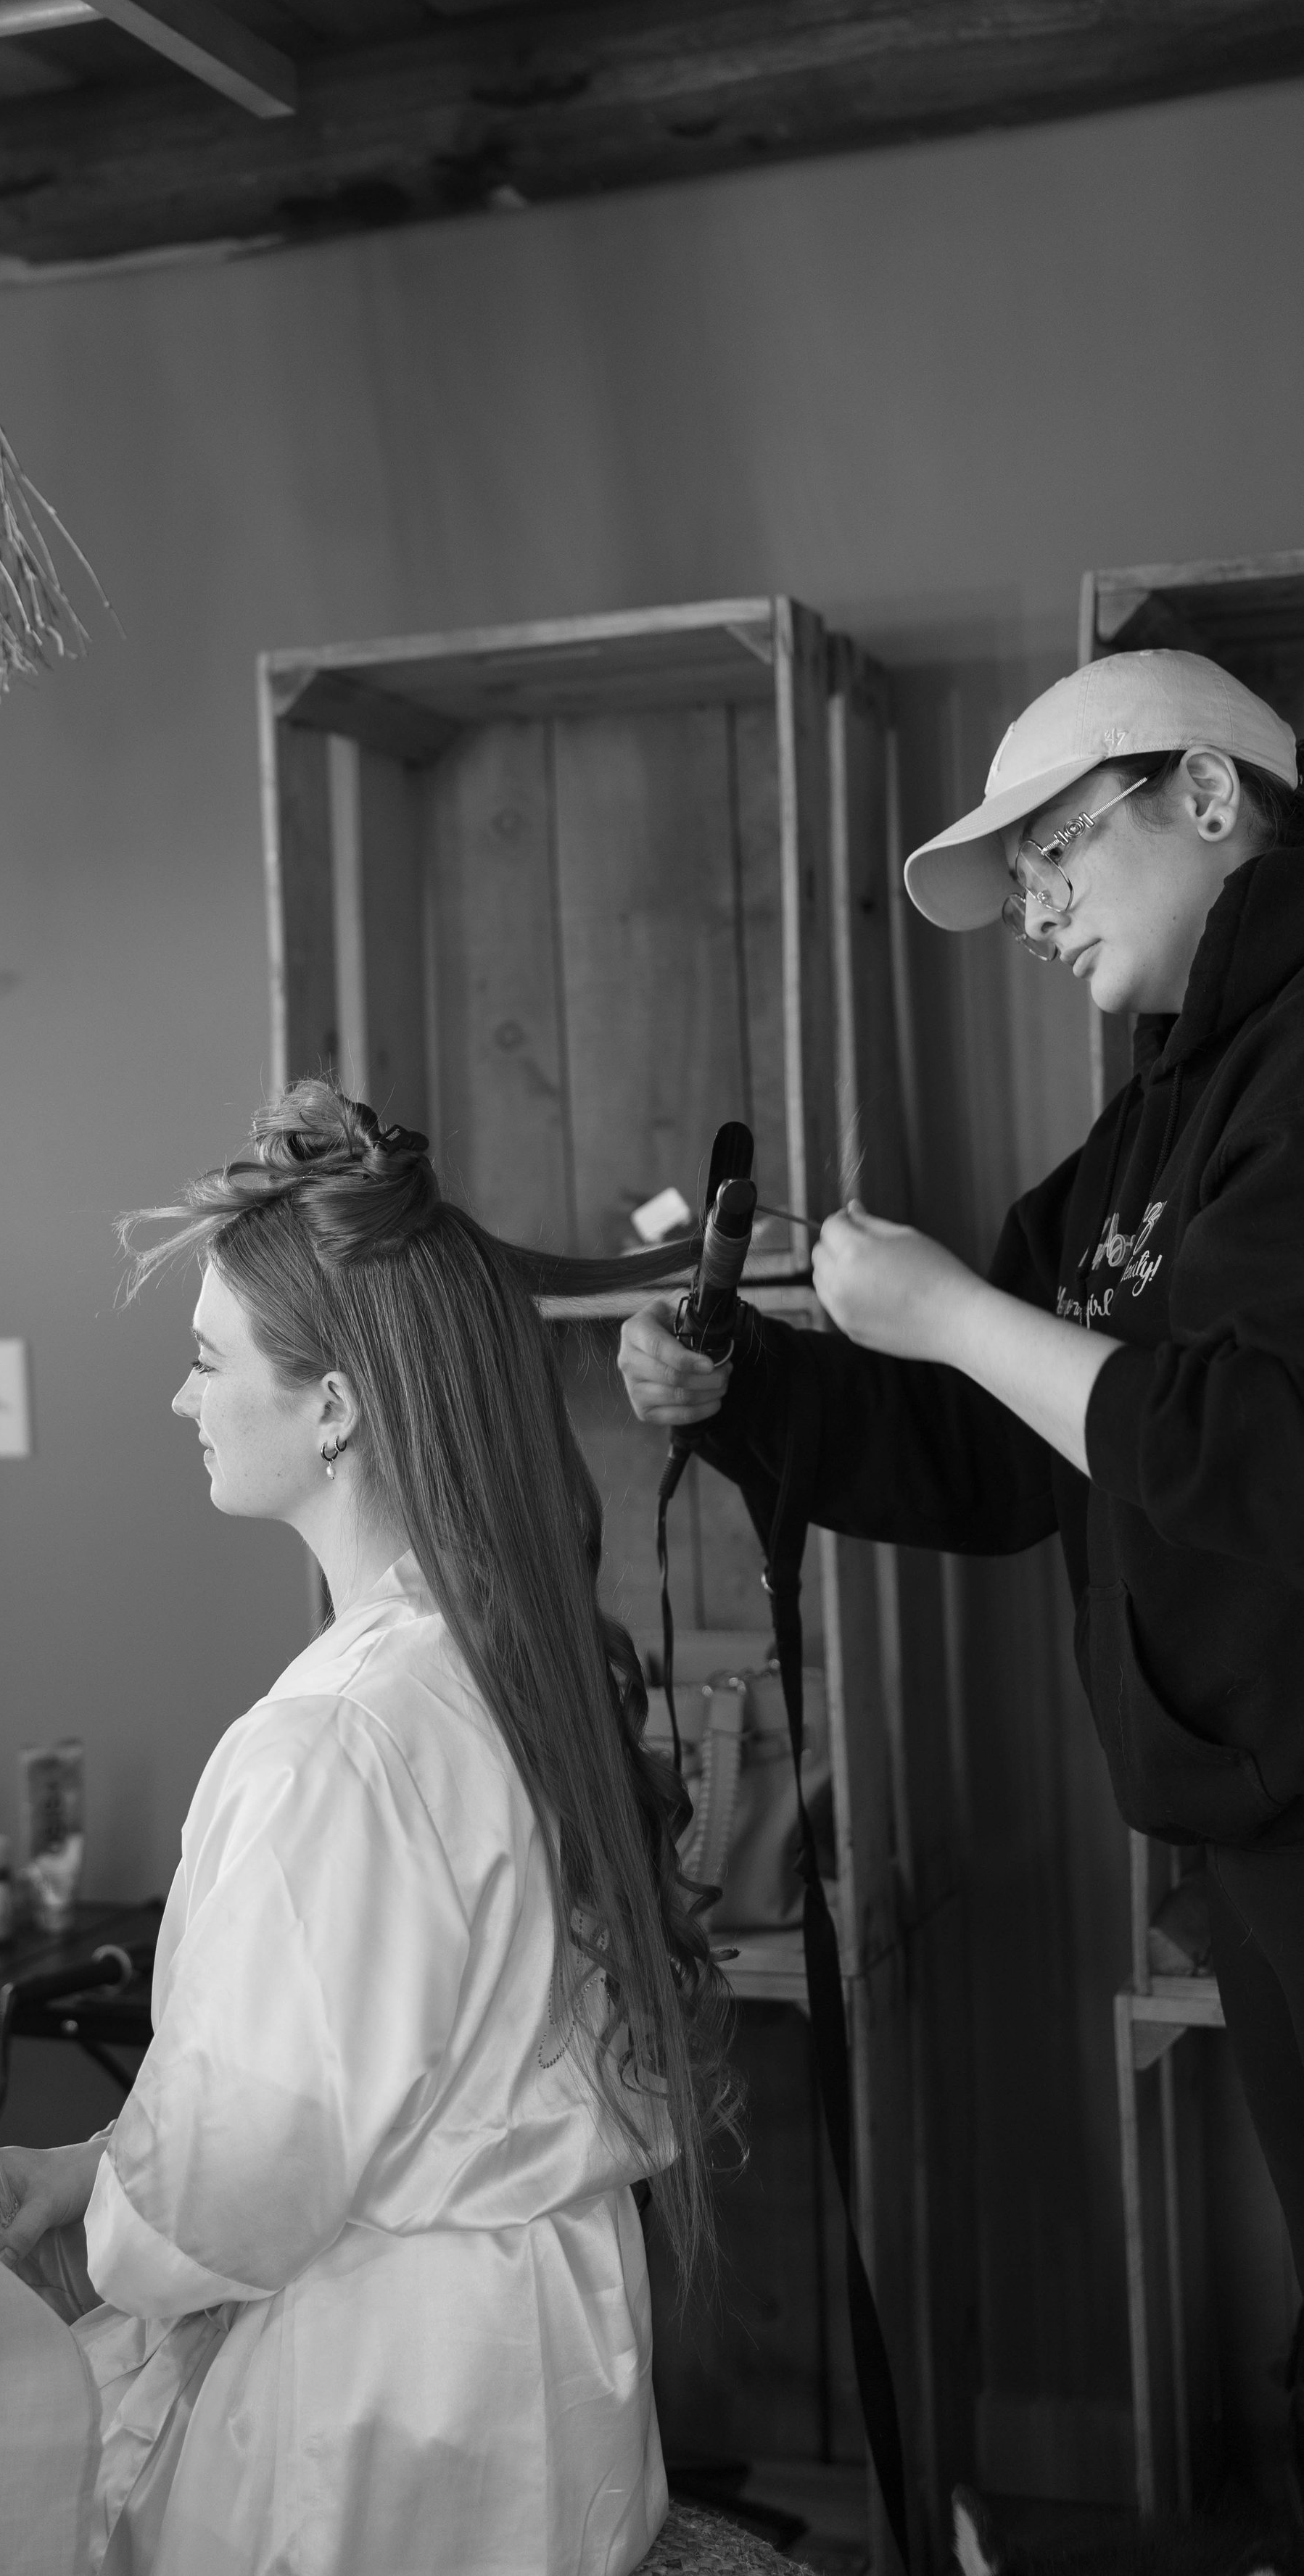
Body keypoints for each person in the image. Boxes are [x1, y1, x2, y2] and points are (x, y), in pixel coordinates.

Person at [0, 1082, 737, 2576]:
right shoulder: (496, 1655)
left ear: (333, 1405)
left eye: (204, 1362)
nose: (180, 1401)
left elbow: (226, 2194)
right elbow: (371, 2078)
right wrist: (101, 2159)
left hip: (388, 2418)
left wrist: (98, 2229)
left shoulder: (327, 1744)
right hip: (536, 2369)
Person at [619, 648, 1304, 2427]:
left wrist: (943, 1309)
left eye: (1059, 857)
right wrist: (744, 1384)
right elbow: (999, 1454)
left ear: (1209, 795)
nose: (1035, 915)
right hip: (1248, 1830)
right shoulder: (1150, 1125)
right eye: (1017, 893)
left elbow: (1255, 1454)